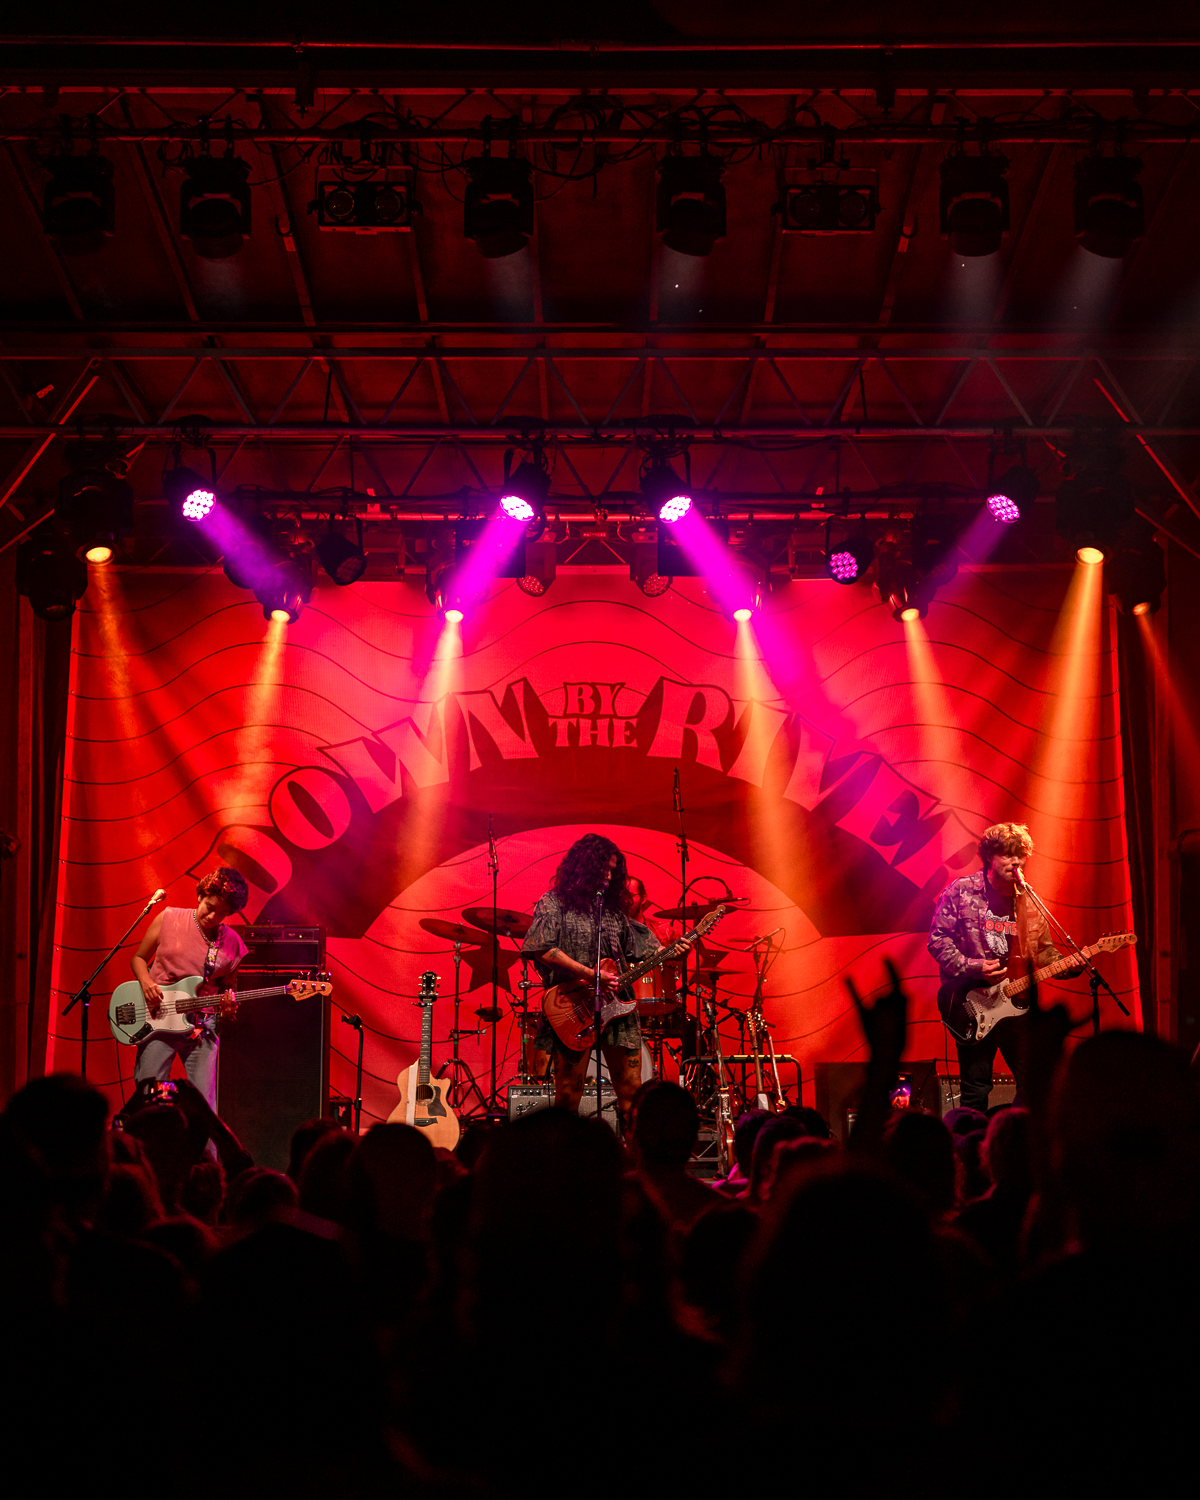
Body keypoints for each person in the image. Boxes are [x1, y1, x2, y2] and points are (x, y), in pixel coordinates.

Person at [522, 834, 694, 1130]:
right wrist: (589, 974)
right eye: (605, 869)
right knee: (566, 1097)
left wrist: (674, 951)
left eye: (614, 870)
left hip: (618, 1010)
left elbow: (646, 950)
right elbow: (542, 948)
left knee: (632, 1094)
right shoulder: (554, 903)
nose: (610, 876)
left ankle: (636, 1166)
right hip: (573, 1007)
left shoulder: (615, 912)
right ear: (585, 867)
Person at [927, 822, 1076, 1114]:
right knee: (975, 1090)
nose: (1016, 862)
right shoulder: (961, 892)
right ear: (990, 858)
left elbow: (1043, 951)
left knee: (1035, 1085)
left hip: (1019, 1007)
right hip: (974, 1003)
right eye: (1008, 855)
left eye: (1021, 855)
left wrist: (1070, 964)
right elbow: (937, 940)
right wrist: (973, 967)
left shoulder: (1030, 901)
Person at [130, 867, 249, 1109]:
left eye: (222, 913)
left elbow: (227, 989)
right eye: (210, 907)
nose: (213, 917)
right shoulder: (168, 918)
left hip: (202, 1026)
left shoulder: (233, 943)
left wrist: (228, 1007)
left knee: (204, 1104)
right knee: (149, 1092)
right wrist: (147, 983)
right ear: (200, 896)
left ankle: (206, 1148)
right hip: (160, 1017)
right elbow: (138, 958)